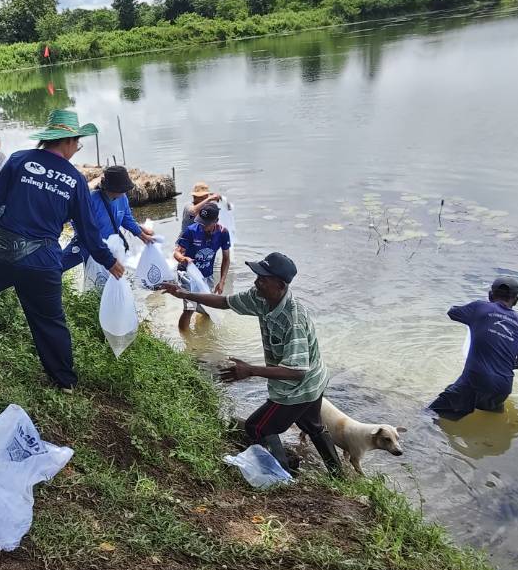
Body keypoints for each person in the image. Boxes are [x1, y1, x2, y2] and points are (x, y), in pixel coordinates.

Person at [0, 109, 124, 390]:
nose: (77, 149)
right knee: (50, 322)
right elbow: (88, 231)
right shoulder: (76, 181)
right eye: (77, 143)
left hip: (2, 251)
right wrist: (108, 260)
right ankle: (64, 382)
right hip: (44, 262)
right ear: (67, 141)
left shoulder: (19, 159)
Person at [160, 251, 343, 475]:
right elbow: (225, 302)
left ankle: (284, 475)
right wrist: (184, 294)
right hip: (315, 379)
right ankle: (338, 475)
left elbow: (295, 372)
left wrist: (249, 370)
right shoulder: (261, 298)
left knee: (257, 427)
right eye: (257, 276)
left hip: (299, 386)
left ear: (280, 285)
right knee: (313, 425)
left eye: (263, 279)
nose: (256, 282)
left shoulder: (293, 320)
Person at [429, 277, 518, 420]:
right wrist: (503, 363)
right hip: (502, 388)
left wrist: (477, 314)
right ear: (516, 300)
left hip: (475, 380)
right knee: (489, 421)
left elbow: (452, 312)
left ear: (490, 295)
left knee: (429, 415)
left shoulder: (480, 307)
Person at [60, 164, 155, 272]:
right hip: (87, 245)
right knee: (58, 267)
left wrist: (142, 236)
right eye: (121, 189)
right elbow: (75, 221)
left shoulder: (122, 198)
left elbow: (127, 219)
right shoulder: (91, 200)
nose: (124, 192)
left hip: (110, 247)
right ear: (110, 188)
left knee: (106, 278)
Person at [173, 201, 231, 329]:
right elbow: (176, 253)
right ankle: (187, 342)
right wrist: (183, 259)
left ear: (216, 220)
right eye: (201, 221)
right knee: (189, 308)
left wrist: (222, 281)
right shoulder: (191, 231)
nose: (202, 226)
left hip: (206, 276)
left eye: (206, 224)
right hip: (187, 273)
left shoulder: (223, 233)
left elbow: (226, 259)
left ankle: (203, 339)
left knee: (208, 309)